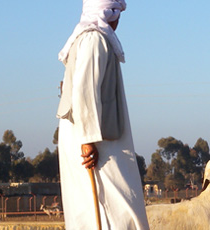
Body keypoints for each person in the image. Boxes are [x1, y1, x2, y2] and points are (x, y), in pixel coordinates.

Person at [55, 0, 148, 229]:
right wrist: (87, 140)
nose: (119, 20)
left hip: (98, 132)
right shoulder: (93, 39)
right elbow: (84, 90)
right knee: (110, 202)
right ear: (108, 14)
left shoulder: (94, 38)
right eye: (117, 14)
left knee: (113, 200)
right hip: (94, 138)